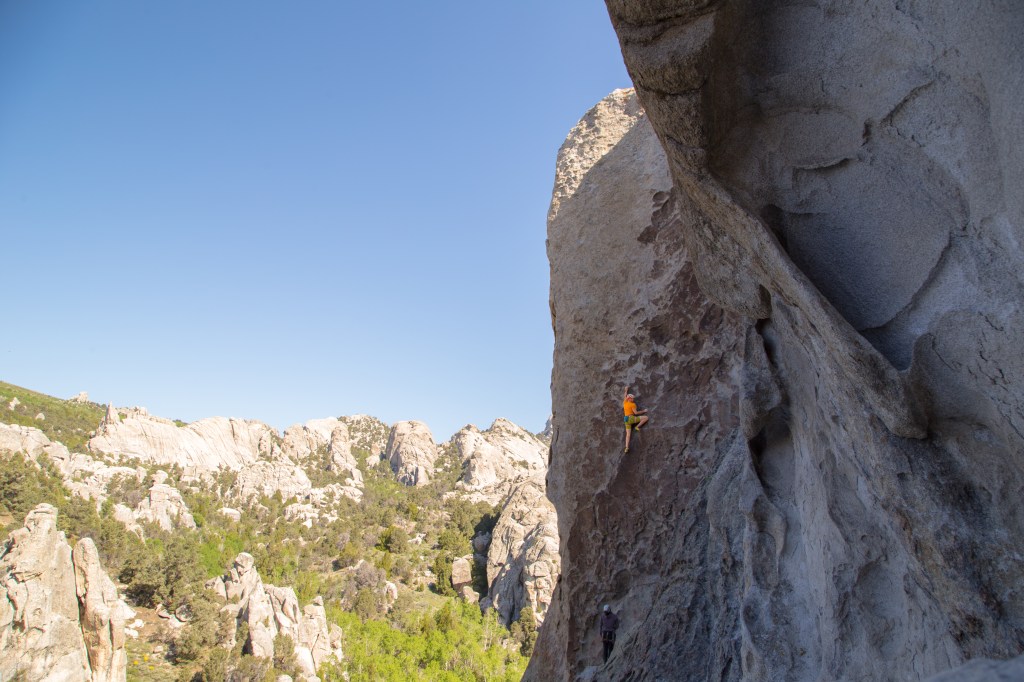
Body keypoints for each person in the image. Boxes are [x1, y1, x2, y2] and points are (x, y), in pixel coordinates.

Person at [622, 385, 648, 454]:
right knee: (646, 418)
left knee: (628, 435)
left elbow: (625, 396)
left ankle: (626, 448)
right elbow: (636, 413)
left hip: (626, 420)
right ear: (629, 399)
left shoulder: (625, 403)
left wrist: (626, 390)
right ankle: (637, 426)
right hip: (632, 419)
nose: (633, 399)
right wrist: (643, 411)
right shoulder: (632, 405)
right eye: (632, 398)